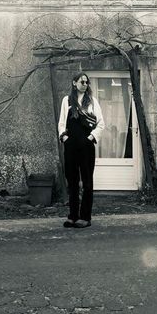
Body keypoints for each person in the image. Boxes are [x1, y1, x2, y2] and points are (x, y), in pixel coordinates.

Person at [58, 72, 104, 229]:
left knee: (87, 181)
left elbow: (101, 124)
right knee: (72, 181)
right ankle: (73, 216)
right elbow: (61, 123)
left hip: (86, 146)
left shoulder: (92, 101)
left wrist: (90, 138)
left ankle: (85, 217)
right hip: (71, 145)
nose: (85, 84)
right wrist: (64, 138)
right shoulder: (67, 100)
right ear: (74, 83)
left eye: (87, 82)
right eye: (82, 82)